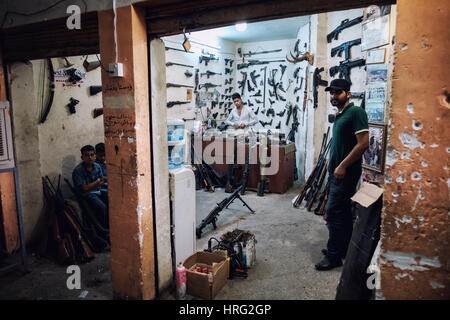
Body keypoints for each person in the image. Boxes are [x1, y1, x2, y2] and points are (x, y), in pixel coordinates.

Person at [315, 79, 369, 271]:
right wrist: (333, 161)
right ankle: (342, 248)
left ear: (348, 94)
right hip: (336, 172)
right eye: (332, 93)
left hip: (345, 173)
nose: (333, 96)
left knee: (332, 214)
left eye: (338, 93)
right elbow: (342, 144)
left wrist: (343, 165)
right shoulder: (340, 114)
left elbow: (363, 144)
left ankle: (333, 256)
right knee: (343, 213)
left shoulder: (356, 112)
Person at [72, 145, 109, 229]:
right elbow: (84, 189)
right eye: (87, 155)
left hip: (97, 190)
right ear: (82, 157)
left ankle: (111, 226)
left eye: (92, 155)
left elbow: (102, 181)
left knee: (111, 199)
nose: (90, 157)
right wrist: (96, 182)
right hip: (86, 194)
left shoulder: (97, 166)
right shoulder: (78, 170)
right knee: (102, 207)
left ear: (95, 156)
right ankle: (102, 229)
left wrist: (94, 184)